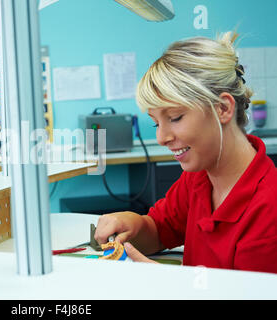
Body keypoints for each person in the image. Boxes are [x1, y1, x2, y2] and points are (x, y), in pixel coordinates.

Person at [94, 31, 277, 274]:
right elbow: (160, 231)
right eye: (156, 123)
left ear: (223, 108)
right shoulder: (198, 178)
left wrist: (171, 285)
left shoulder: (268, 208)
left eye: (175, 118)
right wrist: (133, 224)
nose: (162, 137)